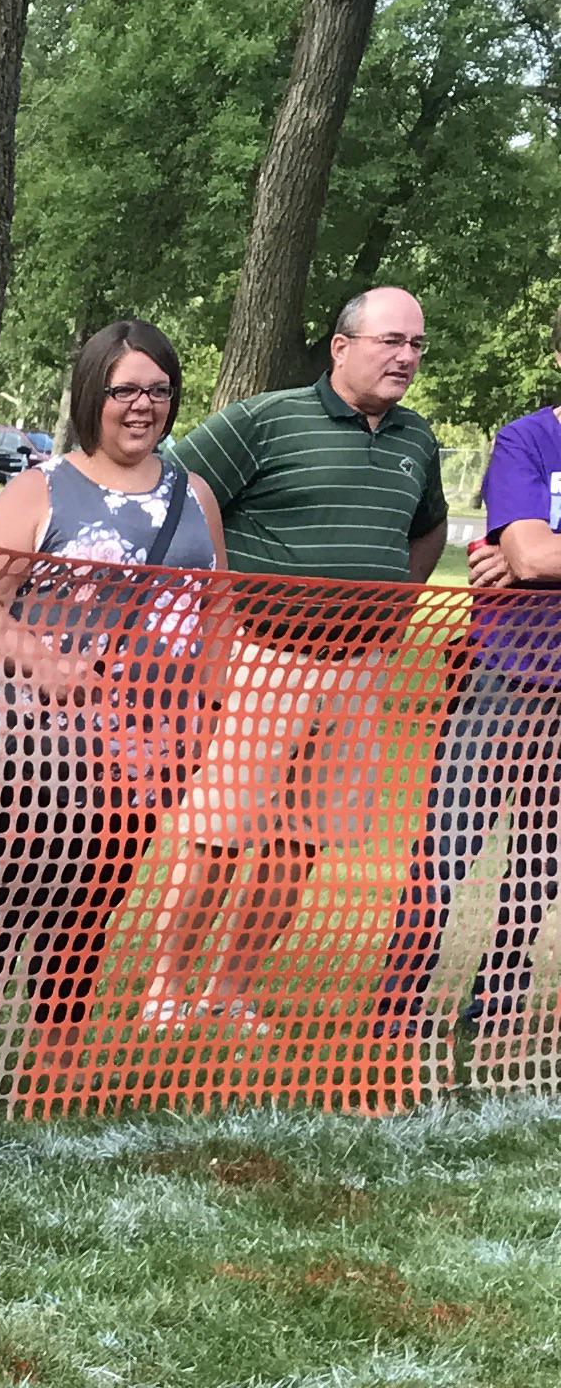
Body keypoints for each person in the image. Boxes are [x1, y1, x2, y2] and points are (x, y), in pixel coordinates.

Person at [0, 317, 224, 1106]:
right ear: (93, 396)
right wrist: (47, 662)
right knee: (2, 899)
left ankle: (55, 1068)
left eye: (158, 390)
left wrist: (203, 725)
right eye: (124, 390)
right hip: (34, 746)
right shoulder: (42, 488)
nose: (142, 406)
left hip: (146, 755)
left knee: (90, 912)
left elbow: (218, 615)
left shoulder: (196, 497)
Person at [145, 287, 448, 1036]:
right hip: (262, 661)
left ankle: (231, 990)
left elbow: (429, 529)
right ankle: (166, 990)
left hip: (359, 672)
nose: (405, 357)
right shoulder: (266, 418)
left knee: (297, 845)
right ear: (342, 347)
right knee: (218, 837)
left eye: (416, 345)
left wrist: (398, 606)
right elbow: (183, 487)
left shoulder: (417, 439)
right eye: (390, 341)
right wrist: (215, 607)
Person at [372, 315, 561, 1071]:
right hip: (502, 674)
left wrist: (540, 553)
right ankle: (397, 1002)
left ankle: (502, 999)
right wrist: (526, 556)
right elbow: (527, 552)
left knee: (543, 855)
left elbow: (543, 554)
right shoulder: (529, 439)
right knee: (446, 846)